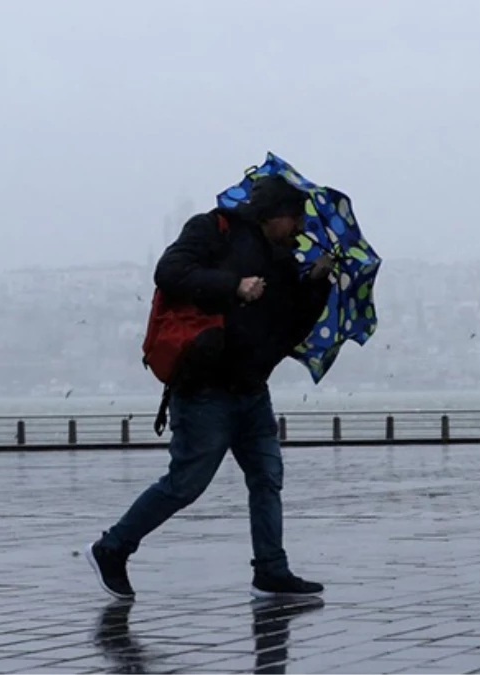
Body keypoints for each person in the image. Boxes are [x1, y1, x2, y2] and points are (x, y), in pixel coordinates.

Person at [86, 175, 332, 601]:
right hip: (204, 388)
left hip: (252, 390)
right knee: (186, 482)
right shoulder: (211, 229)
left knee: (267, 477)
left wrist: (315, 283)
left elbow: (291, 330)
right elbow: (169, 272)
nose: (299, 228)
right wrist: (233, 286)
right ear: (273, 214)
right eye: (295, 218)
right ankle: (113, 547)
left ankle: (271, 570)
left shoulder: (282, 261)